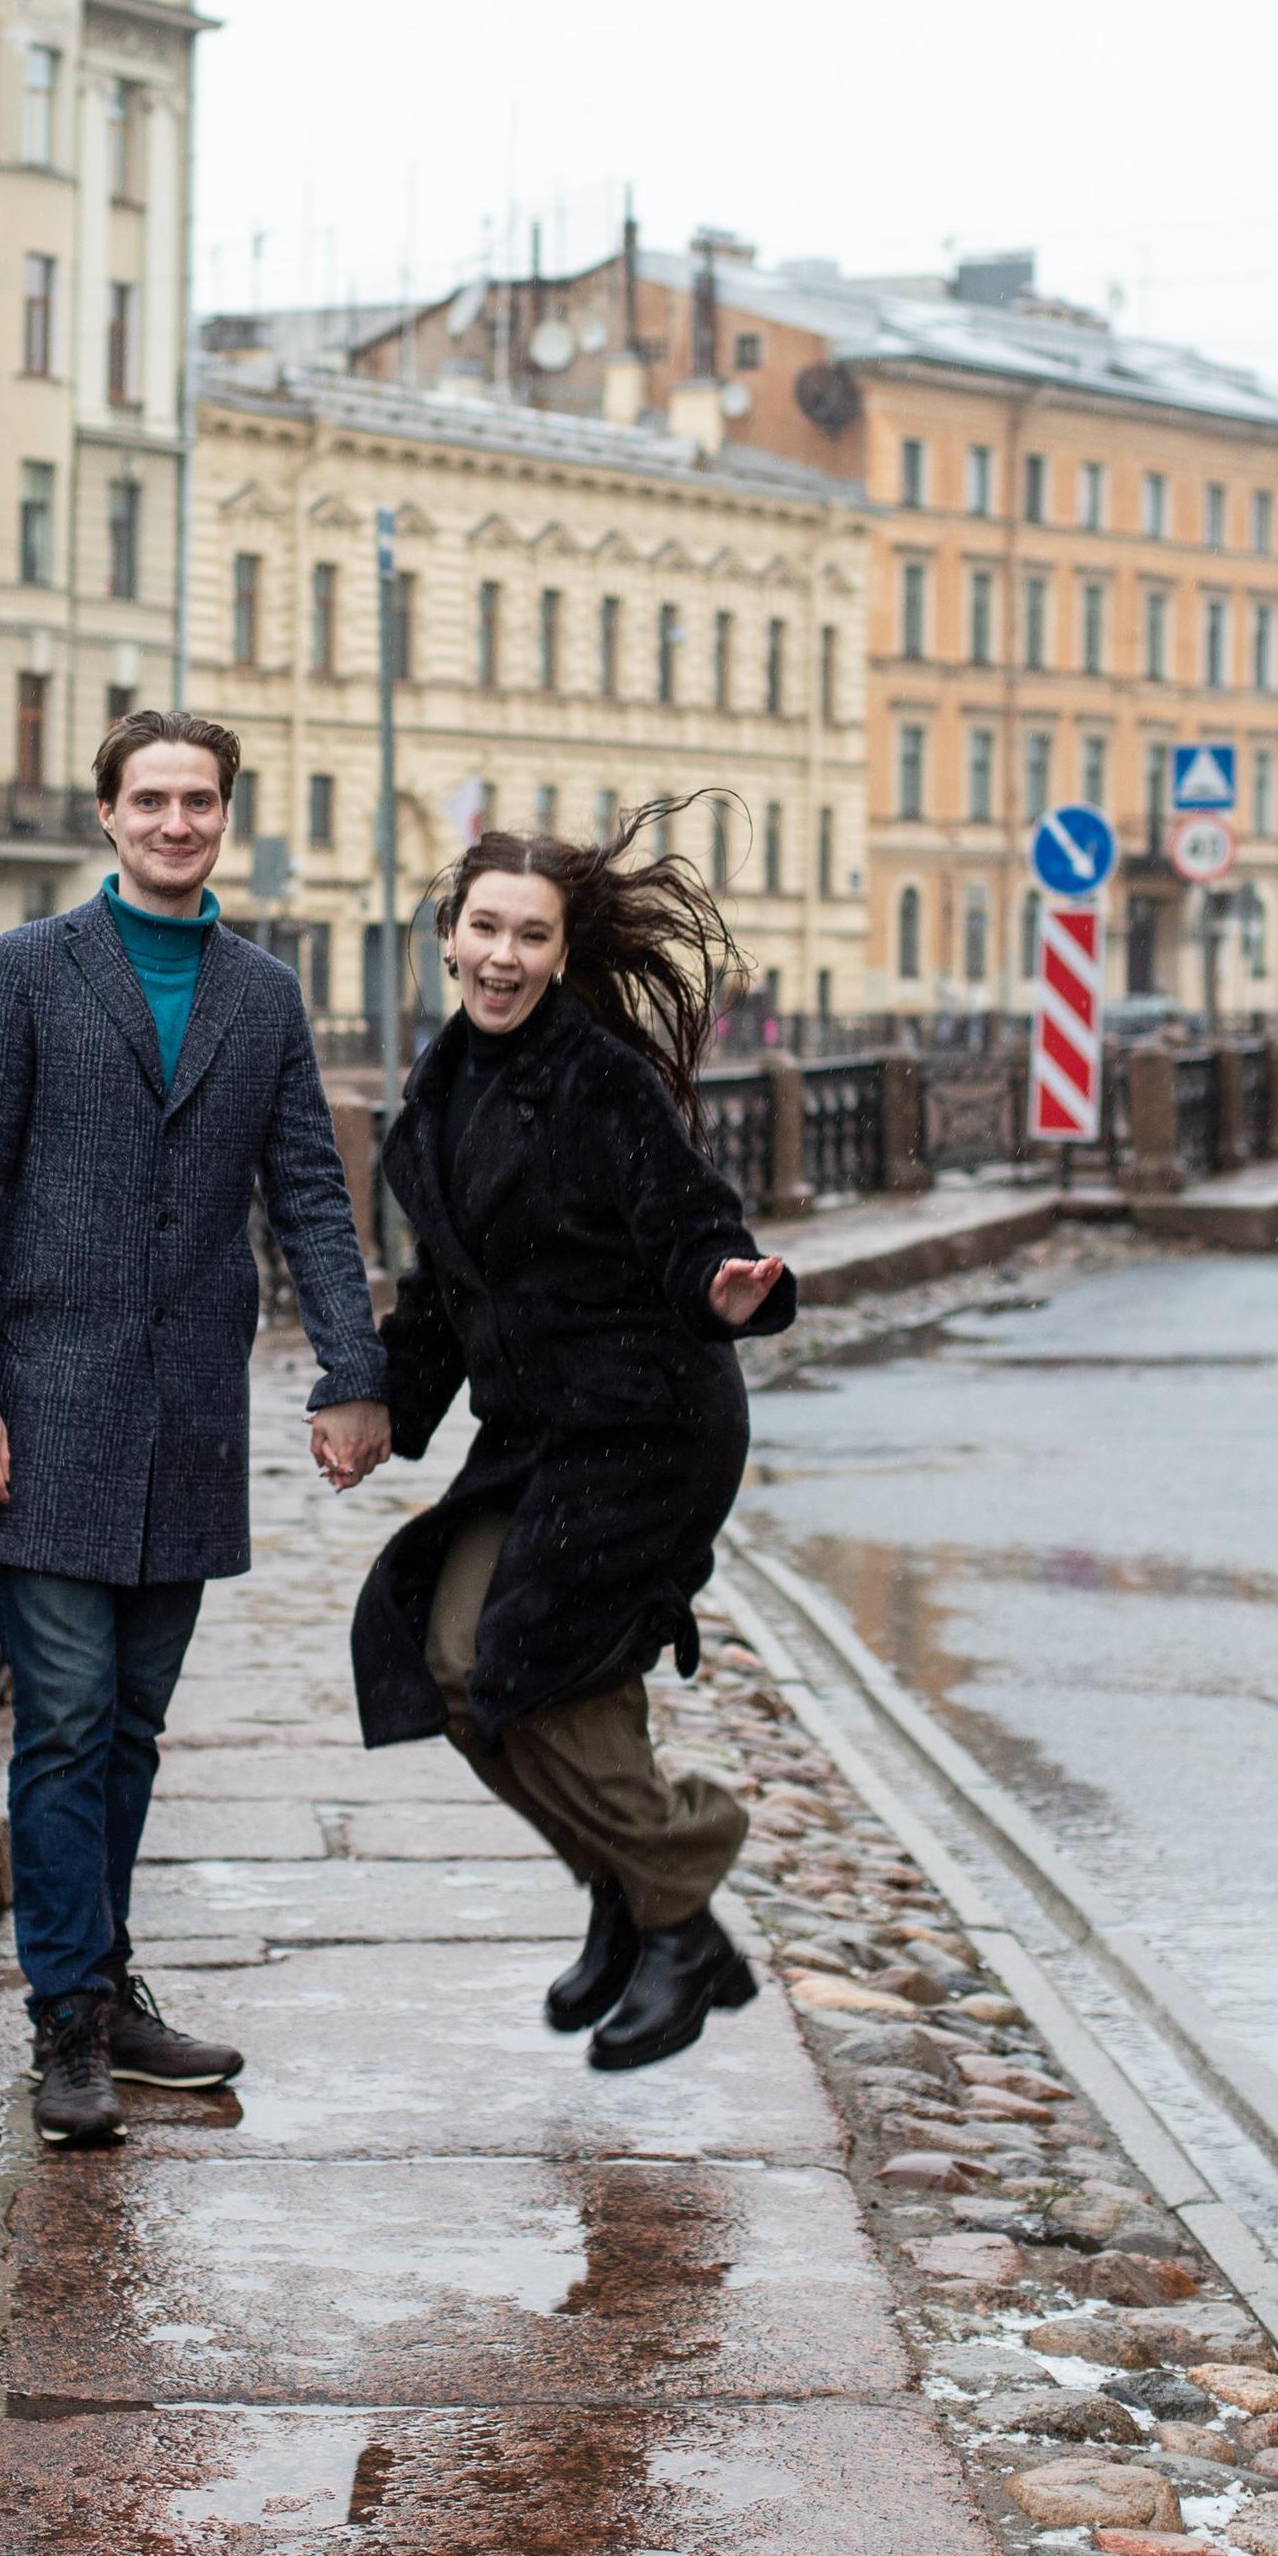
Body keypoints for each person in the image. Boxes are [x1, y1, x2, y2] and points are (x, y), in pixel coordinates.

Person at [0, 711, 391, 2147]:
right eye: (152, 800)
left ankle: (104, 1990)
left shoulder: (263, 993)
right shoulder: (26, 972)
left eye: (200, 801)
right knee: (60, 1720)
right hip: (42, 1409)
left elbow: (309, 1189)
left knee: (130, 1724)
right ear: (109, 818)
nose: (177, 822)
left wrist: (351, 1372)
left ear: (223, 817)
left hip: (187, 1410)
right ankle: (66, 2021)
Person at [350, 812, 793, 2070]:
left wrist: (721, 1282)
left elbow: (687, 1212)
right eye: (483, 928)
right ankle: (632, 1894)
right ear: (446, 938)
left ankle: (678, 1894)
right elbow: (444, 1291)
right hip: (541, 1431)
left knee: (536, 1669)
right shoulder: (443, 1090)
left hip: (648, 1424)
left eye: (529, 936)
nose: (502, 955)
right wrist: (384, 1408)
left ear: (559, 952)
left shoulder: (597, 1078)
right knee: (447, 1655)